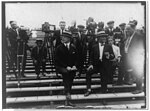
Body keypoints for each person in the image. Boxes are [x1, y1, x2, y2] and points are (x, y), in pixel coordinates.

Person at [84, 31, 115, 97]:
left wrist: (109, 56)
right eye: (102, 37)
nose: (104, 38)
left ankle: (104, 91)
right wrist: (91, 64)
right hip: (96, 65)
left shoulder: (108, 46)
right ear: (98, 38)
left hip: (104, 66)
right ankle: (88, 89)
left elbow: (113, 56)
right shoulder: (94, 46)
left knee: (104, 78)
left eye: (105, 37)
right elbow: (91, 57)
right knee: (88, 72)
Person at [55, 31, 78, 106]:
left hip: (71, 67)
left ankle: (67, 90)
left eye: (65, 37)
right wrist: (66, 66)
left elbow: (77, 58)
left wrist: (75, 65)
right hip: (61, 67)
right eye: (62, 37)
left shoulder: (73, 47)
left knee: (72, 74)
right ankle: (68, 94)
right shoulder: (59, 47)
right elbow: (57, 60)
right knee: (66, 73)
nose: (63, 38)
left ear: (69, 38)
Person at [123, 24, 145, 94]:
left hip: (137, 58)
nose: (127, 31)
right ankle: (137, 88)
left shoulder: (138, 36)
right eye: (126, 30)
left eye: (128, 29)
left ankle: (139, 89)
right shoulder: (129, 37)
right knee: (135, 73)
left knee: (138, 74)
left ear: (133, 29)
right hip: (131, 57)